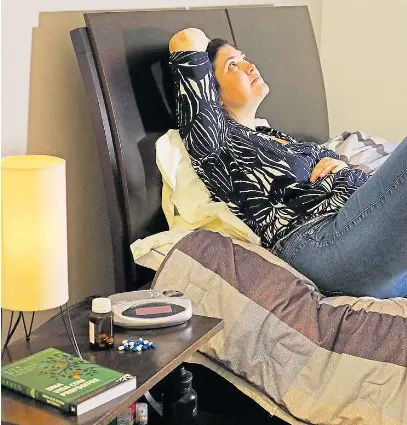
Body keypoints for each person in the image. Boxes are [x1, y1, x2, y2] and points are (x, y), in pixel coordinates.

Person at [168, 28, 407, 298]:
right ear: (212, 93)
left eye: (244, 58)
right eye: (232, 65)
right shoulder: (215, 139)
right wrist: (208, 53)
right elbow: (185, 40)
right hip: (324, 242)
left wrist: (338, 165)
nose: (250, 66)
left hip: (367, 238)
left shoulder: (270, 134)